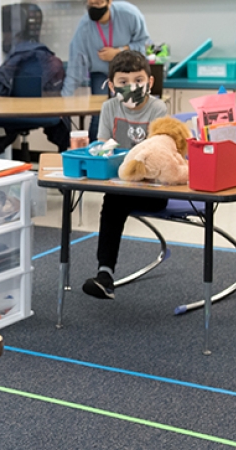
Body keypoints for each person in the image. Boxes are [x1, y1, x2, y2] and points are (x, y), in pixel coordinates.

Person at [82, 50, 168, 300]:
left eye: (138, 81)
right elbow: (102, 146)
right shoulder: (109, 107)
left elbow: (156, 153)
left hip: (152, 189)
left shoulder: (158, 108)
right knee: (114, 199)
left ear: (149, 83)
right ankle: (104, 274)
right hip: (120, 184)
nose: (132, 87)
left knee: (113, 202)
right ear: (111, 86)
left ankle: (105, 275)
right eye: (123, 82)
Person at [61, 0, 150, 143]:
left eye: (98, 3)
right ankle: (95, 154)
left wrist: (119, 52)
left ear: (109, 2)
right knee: (100, 116)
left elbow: (143, 44)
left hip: (128, 74)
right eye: (91, 4)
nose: (95, 7)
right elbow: (75, 65)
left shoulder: (129, 14)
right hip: (100, 74)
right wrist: (64, 99)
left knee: (129, 114)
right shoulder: (84, 27)